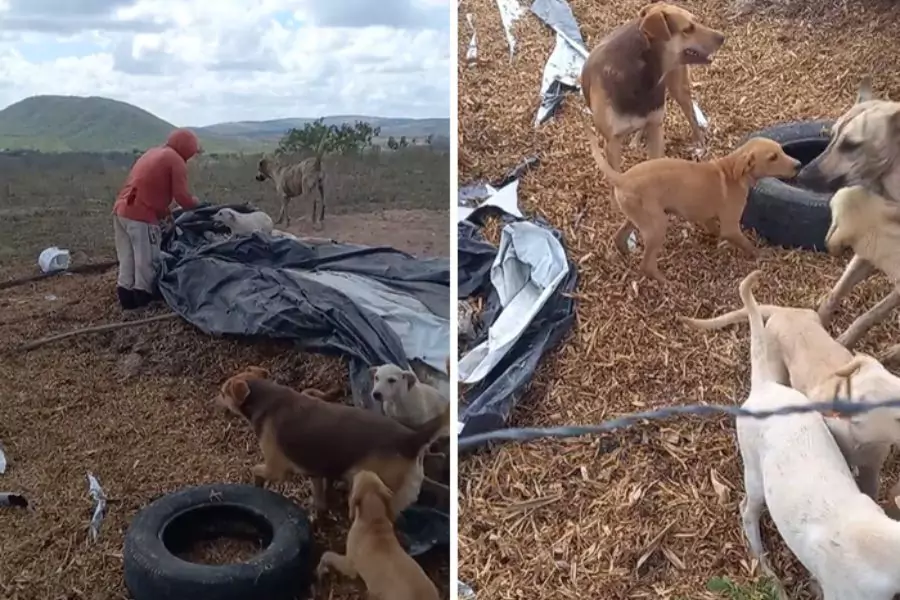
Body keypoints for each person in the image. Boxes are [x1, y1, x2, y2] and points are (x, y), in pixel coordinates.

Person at [112, 128, 200, 310]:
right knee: (147, 261)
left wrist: (164, 211)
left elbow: (146, 186)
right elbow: (182, 197)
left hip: (121, 211)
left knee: (127, 259)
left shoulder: (152, 153)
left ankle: (127, 302)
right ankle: (143, 303)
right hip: (142, 216)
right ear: (187, 149)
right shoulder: (176, 161)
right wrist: (197, 205)